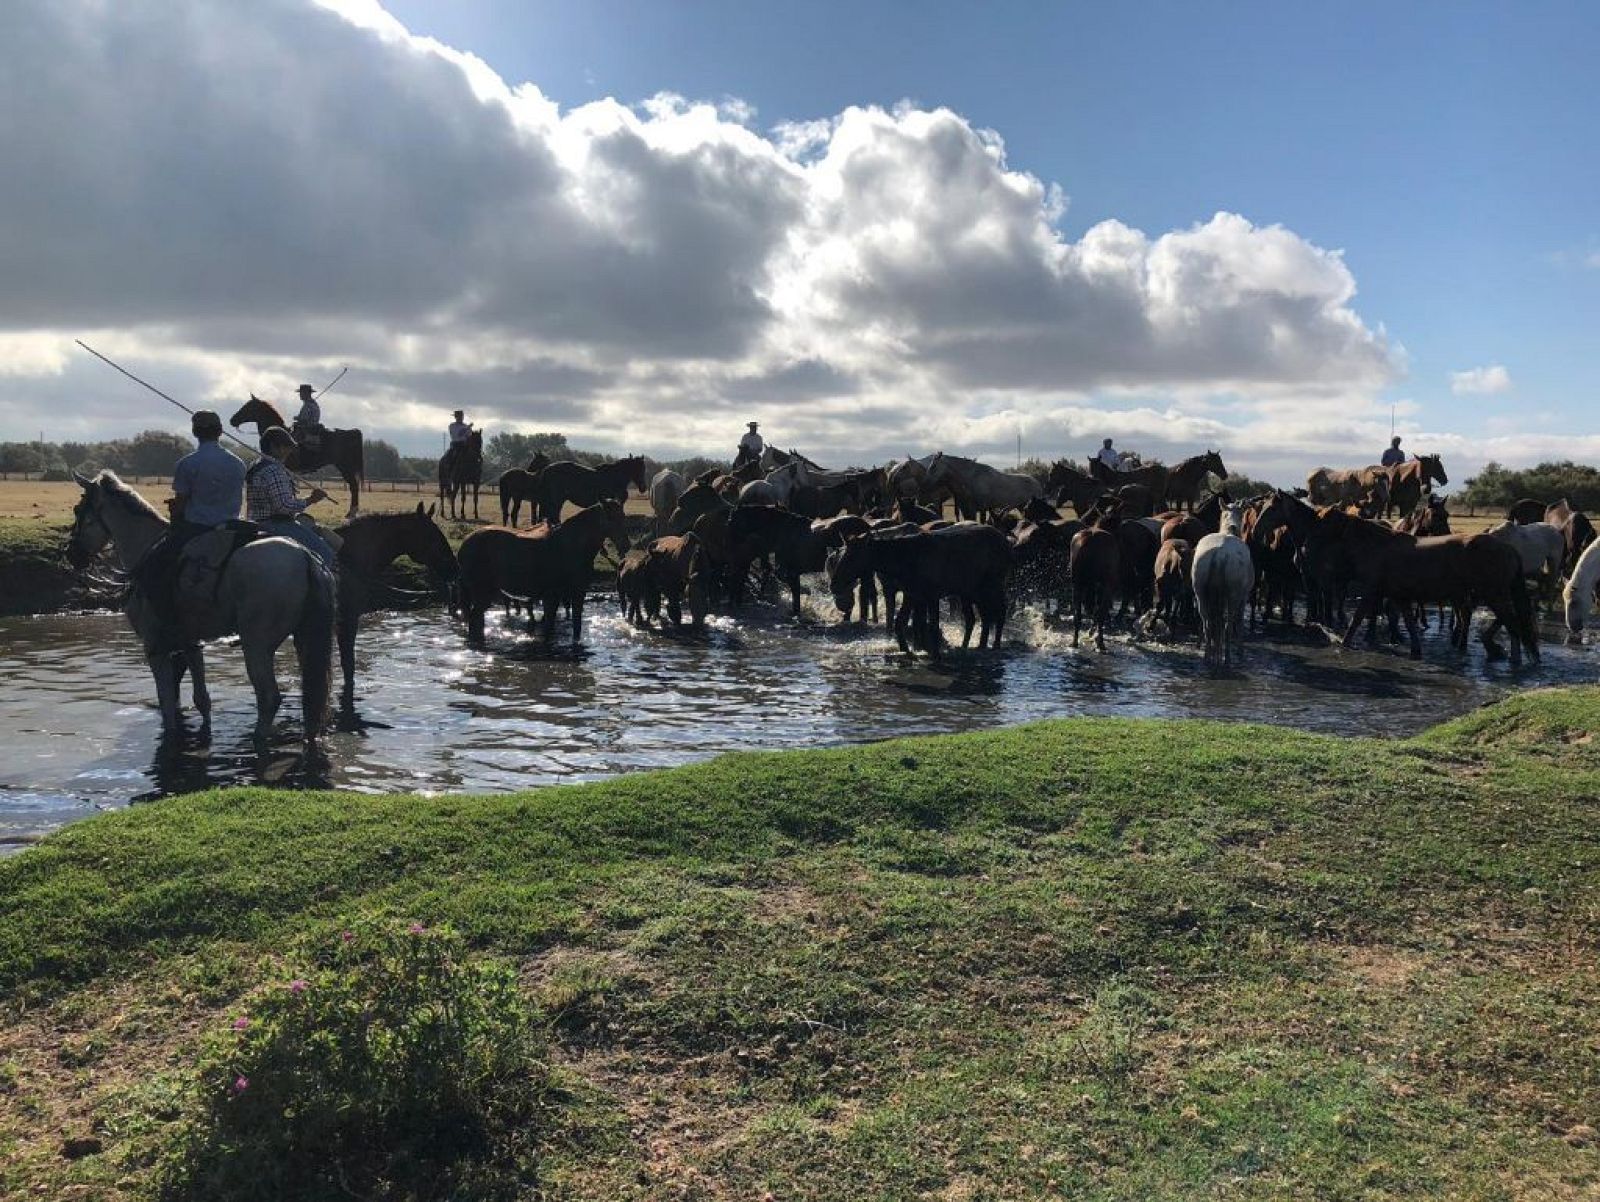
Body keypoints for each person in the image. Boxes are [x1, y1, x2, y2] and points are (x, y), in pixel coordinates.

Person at [138, 411, 247, 631]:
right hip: (233, 527)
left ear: (195, 432)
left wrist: (174, 508)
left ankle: (168, 624)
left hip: (197, 528)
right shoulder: (238, 463)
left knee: (153, 567)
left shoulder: (187, 464)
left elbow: (182, 502)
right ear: (219, 431)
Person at [246, 427, 336, 567]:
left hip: (256, 522)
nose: (288, 451)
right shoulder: (274, 470)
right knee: (325, 552)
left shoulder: (255, 465)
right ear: (274, 447)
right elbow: (283, 506)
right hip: (277, 524)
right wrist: (311, 500)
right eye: (285, 446)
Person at [291, 384, 322, 450]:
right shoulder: (313, 403)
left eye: (301, 393)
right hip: (312, 427)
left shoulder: (308, 405)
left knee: (291, 441)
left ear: (306, 393)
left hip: (307, 429)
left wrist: (297, 419)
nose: (300, 395)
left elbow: (304, 420)